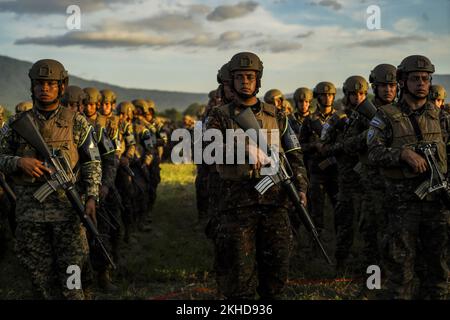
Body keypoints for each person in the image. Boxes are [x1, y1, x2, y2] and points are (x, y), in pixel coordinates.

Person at [206, 52, 308, 299]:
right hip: (237, 208)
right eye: (239, 77)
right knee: (240, 281)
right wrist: (244, 148)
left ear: (258, 80)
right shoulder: (220, 115)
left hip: (276, 206)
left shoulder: (277, 115)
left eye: (249, 76)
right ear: (231, 80)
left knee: (275, 279)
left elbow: (295, 155)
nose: (244, 81)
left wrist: (302, 188)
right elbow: (208, 149)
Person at [0, 59, 101, 299]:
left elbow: (92, 162)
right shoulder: (15, 125)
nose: (44, 88)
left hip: (68, 213)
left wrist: (92, 196)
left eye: (50, 84)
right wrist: (18, 162)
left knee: (73, 277)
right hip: (30, 215)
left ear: (61, 86)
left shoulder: (77, 122)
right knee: (40, 280)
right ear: (32, 86)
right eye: (39, 84)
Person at [367, 55, 449, 299]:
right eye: (415, 79)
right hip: (402, 207)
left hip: (438, 205)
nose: (421, 84)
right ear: (403, 81)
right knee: (400, 273)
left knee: (439, 271)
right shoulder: (384, 116)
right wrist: (402, 154)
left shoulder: (440, 116)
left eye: (425, 79)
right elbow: (373, 152)